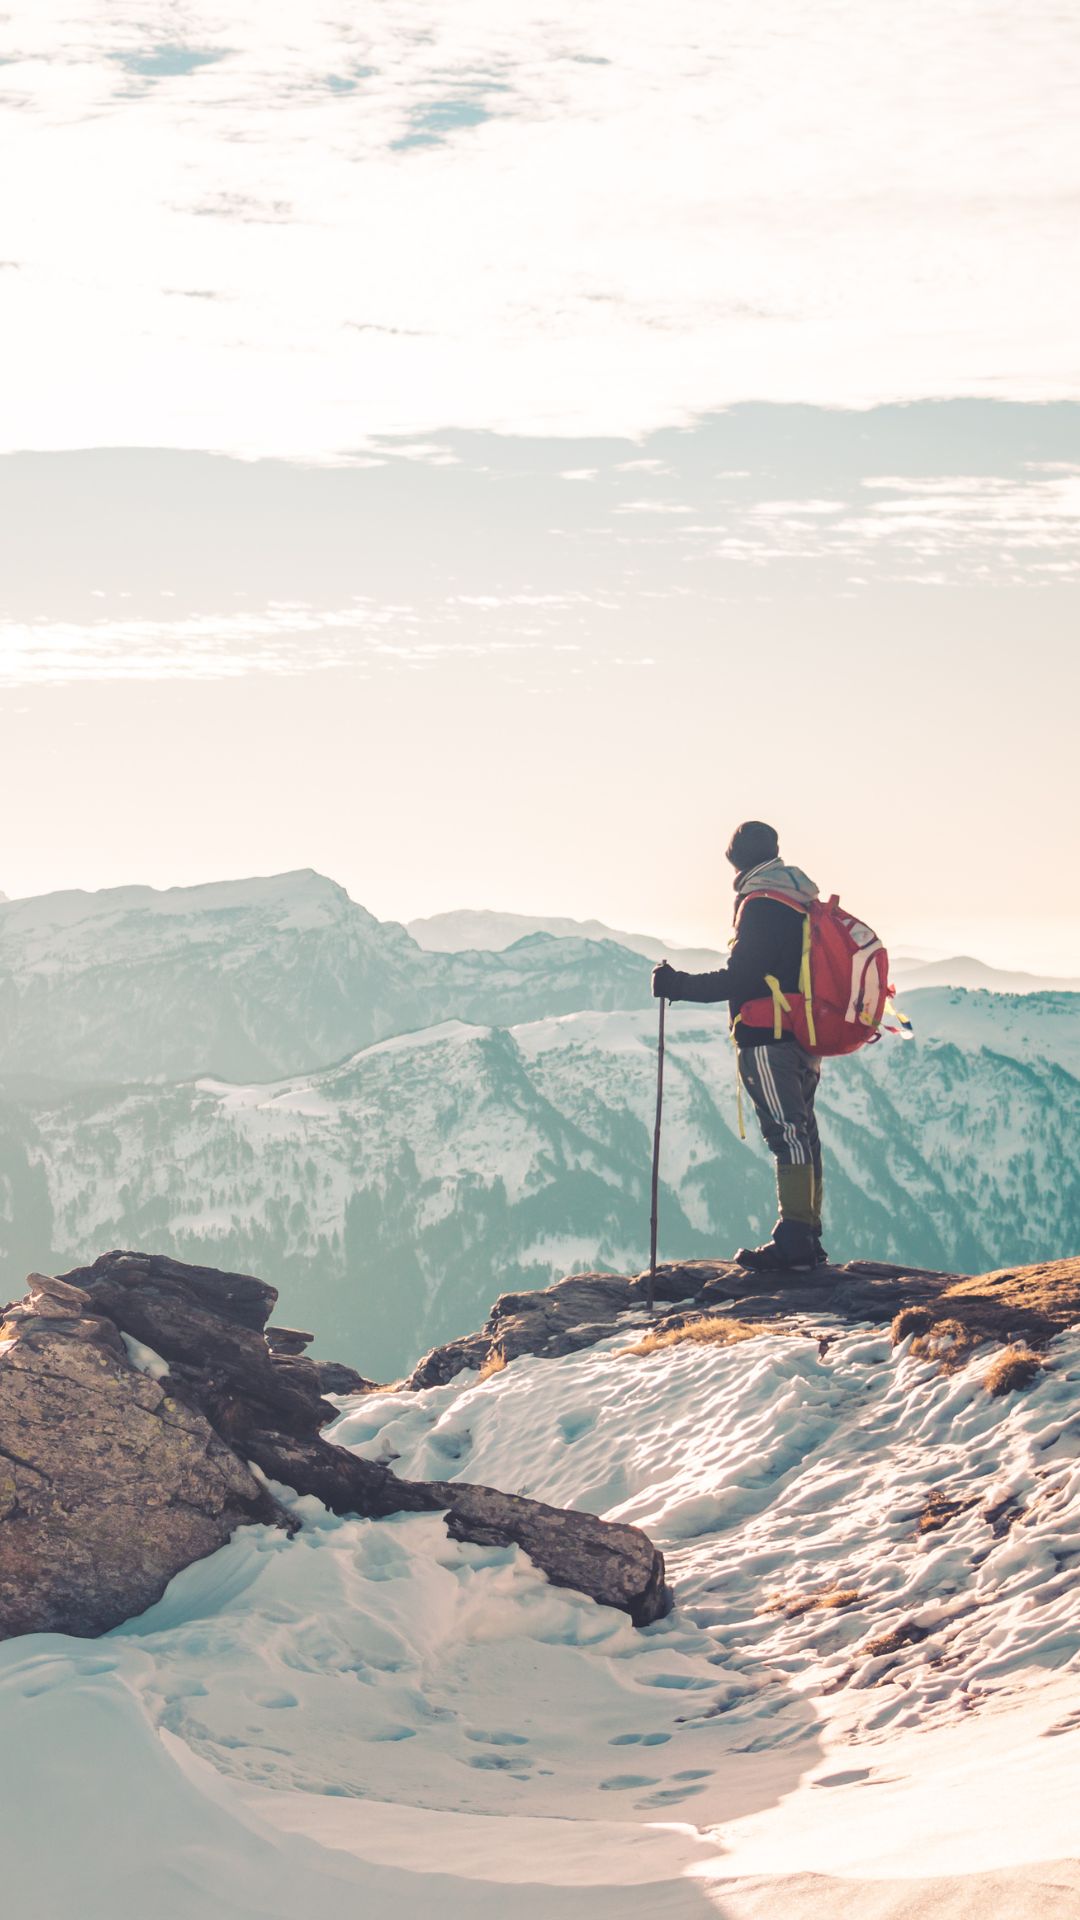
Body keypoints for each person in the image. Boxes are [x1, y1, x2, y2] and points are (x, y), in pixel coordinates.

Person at [651, 821, 826, 1273]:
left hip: (768, 1037)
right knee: (803, 1132)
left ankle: (795, 1242)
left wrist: (677, 985)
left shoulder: (761, 903)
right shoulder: (798, 899)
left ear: (736, 859)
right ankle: (808, 1235)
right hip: (803, 1034)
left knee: (787, 1133)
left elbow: (742, 977)